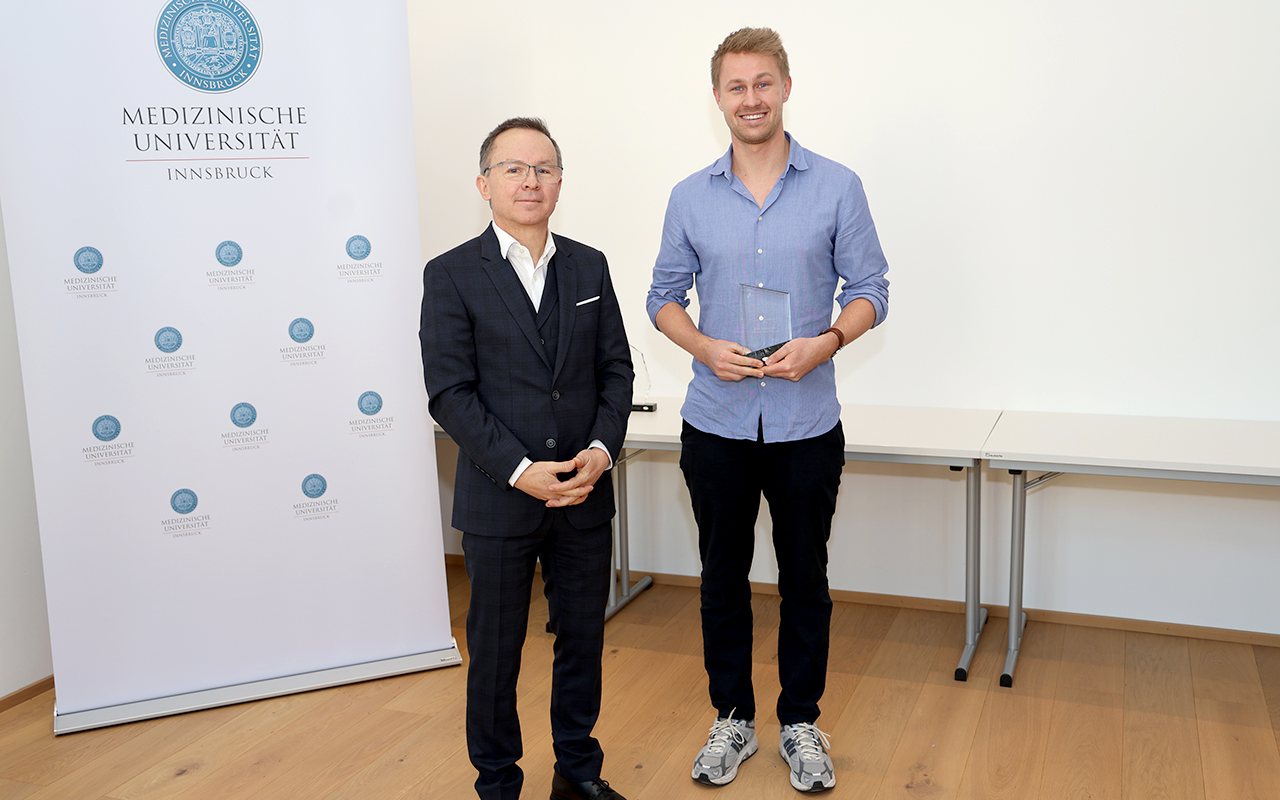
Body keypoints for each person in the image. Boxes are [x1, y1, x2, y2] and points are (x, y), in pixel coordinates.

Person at [646, 28, 890, 794]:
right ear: (717, 98)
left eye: (762, 83)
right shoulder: (689, 196)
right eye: (736, 86)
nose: (750, 99)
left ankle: (799, 721)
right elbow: (662, 298)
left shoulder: (838, 187)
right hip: (716, 421)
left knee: (804, 578)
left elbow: (871, 290)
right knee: (720, 577)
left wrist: (827, 342)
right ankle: (733, 718)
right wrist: (701, 346)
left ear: (785, 87)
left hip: (804, 423)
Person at [421, 117, 633, 800]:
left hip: (583, 493)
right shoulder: (451, 274)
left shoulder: (589, 265)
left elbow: (616, 371)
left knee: (582, 641)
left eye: (543, 168)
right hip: (499, 497)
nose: (530, 180)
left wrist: (600, 451)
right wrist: (520, 471)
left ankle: (577, 771)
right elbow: (449, 393)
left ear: (560, 183)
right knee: (495, 651)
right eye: (513, 168)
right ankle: (497, 783)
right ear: (484, 184)